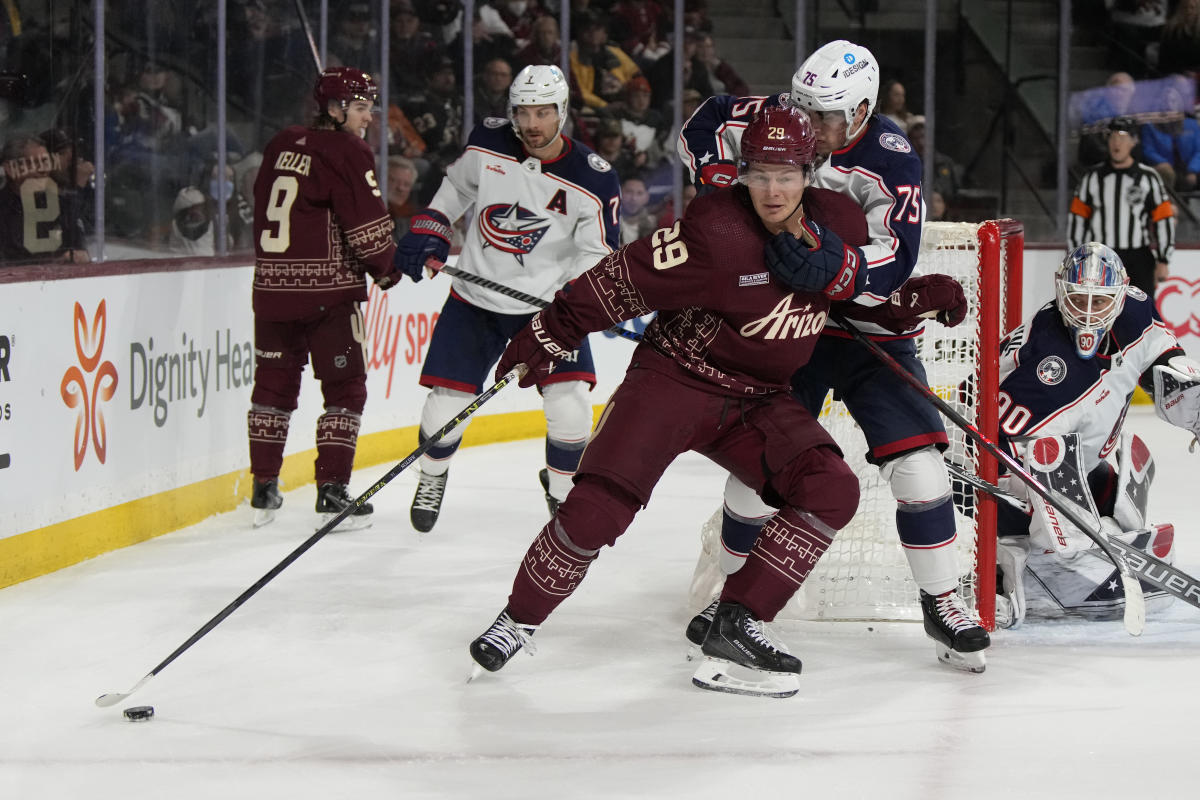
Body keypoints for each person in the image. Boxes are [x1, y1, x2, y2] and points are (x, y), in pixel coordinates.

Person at [468, 106, 867, 698]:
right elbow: (621, 280)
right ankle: (517, 620)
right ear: (741, 172)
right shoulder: (717, 230)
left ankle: (736, 620)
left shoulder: (842, 222)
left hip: (757, 399)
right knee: (598, 508)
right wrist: (551, 332)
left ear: (812, 171)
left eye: (786, 174)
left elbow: (865, 291)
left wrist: (912, 303)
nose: (773, 189)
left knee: (832, 486)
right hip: (676, 379)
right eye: (759, 173)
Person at [679, 39, 991, 673]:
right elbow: (705, 120)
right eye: (804, 110)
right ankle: (730, 598)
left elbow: (892, 263)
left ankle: (942, 600)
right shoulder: (785, 116)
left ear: (863, 109)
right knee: (758, 467)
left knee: (922, 471)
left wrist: (834, 269)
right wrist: (715, 177)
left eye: (824, 117)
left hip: (868, 331)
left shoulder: (891, 160)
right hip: (792, 325)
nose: (809, 128)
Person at [395, 64, 621, 534]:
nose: (532, 123)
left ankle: (562, 493)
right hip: (475, 299)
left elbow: (596, 252)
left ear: (562, 111)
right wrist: (435, 224)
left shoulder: (593, 178)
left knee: (569, 403)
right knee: (445, 405)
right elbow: (458, 187)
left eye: (542, 112)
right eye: (523, 111)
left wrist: (574, 303)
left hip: (549, 314)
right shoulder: (488, 142)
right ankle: (433, 475)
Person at [989, 243, 1200, 627]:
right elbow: (1001, 448)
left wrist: (1179, 376)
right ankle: (1013, 567)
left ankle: (1082, 538)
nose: (1087, 313)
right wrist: (1060, 524)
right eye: (1077, 299)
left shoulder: (1135, 309)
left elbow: (1161, 349)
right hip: (992, 461)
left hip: (1078, 454)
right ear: (1059, 290)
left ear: (1122, 294)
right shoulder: (1045, 364)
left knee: (1108, 493)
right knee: (1045, 471)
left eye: (1099, 301)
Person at [247, 66, 420, 529]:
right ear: (335, 108)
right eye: (361, 108)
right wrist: (389, 268)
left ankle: (263, 487)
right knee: (346, 388)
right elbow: (364, 224)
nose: (368, 118)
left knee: (273, 385)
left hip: (271, 291)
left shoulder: (282, 142)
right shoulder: (347, 148)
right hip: (328, 296)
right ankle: (331, 491)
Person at [1068, 116, 1175, 295]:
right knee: (1099, 313)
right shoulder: (1093, 178)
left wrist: (1164, 259)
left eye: (1123, 137)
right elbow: (1078, 220)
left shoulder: (1148, 177)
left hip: (1138, 257)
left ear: (1133, 142)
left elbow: (1163, 218)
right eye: (1113, 136)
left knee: (1141, 315)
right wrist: (1077, 258)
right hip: (1100, 257)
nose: (1117, 142)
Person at [0, 134, 89, 264]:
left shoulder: (63, 205)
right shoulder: (2, 209)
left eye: (45, 162)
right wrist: (53, 262)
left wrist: (79, 255)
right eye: (34, 163)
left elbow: (80, 247)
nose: (43, 170)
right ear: (10, 168)